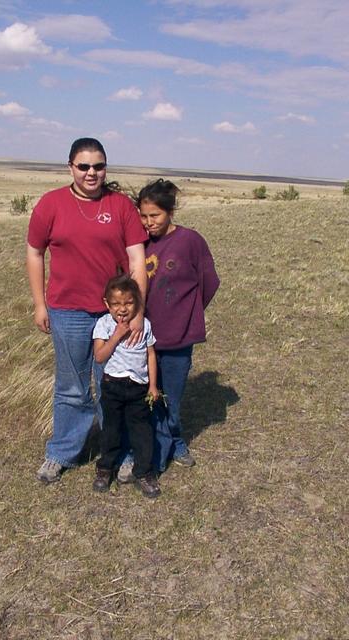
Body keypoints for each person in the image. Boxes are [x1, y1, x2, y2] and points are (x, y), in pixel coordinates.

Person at [26, 138, 147, 484]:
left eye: (99, 166)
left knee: (116, 384)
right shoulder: (51, 204)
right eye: (84, 166)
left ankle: (120, 452)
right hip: (68, 311)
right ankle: (62, 451)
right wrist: (39, 303)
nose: (92, 173)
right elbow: (34, 254)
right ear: (70, 168)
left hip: (116, 314)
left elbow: (137, 259)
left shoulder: (121, 205)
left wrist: (136, 310)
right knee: (71, 386)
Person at [136, 178, 220, 473]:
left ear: (170, 212)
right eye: (144, 216)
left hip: (178, 338)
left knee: (172, 394)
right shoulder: (139, 242)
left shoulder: (190, 241)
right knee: (145, 395)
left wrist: (188, 312)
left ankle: (175, 440)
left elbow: (210, 282)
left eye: (155, 215)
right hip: (142, 337)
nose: (149, 223)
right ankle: (143, 446)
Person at [92, 275, 161, 499]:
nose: (122, 309)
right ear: (107, 304)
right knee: (111, 430)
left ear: (138, 303)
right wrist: (116, 335)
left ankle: (143, 472)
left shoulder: (144, 325)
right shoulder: (103, 324)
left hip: (138, 389)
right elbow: (100, 356)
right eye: (116, 304)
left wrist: (153, 386)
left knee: (142, 432)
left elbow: (151, 355)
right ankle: (105, 469)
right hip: (112, 386)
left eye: (129, 303)